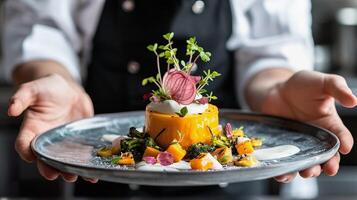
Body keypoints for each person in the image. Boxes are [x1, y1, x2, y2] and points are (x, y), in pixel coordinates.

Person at [2, 0, 356, 192]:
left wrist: (279, 90)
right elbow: (42, 29)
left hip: (235, 185)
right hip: (99, 175)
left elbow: (270, 47)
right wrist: (52, 78)